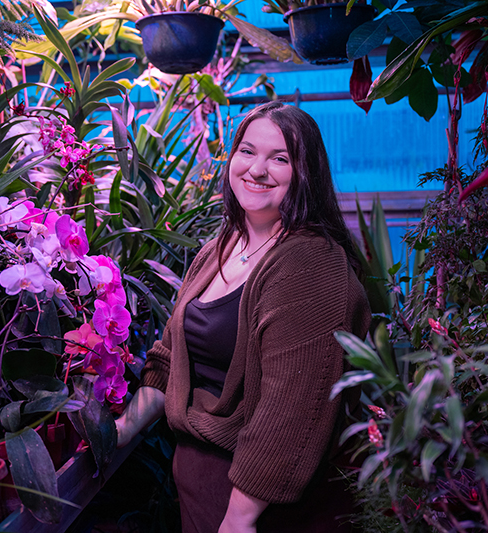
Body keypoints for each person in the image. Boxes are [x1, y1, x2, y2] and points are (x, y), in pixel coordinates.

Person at [115, 102, 371, 533]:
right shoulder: (220, 248)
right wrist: (116, 432)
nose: (257, 169)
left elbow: (292, 408)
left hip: (263, 510)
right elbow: (169, 360)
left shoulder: (311, 263)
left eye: (280, 158)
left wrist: (239, 519)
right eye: (248, 151)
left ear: (307, 174)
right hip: (202, 494)